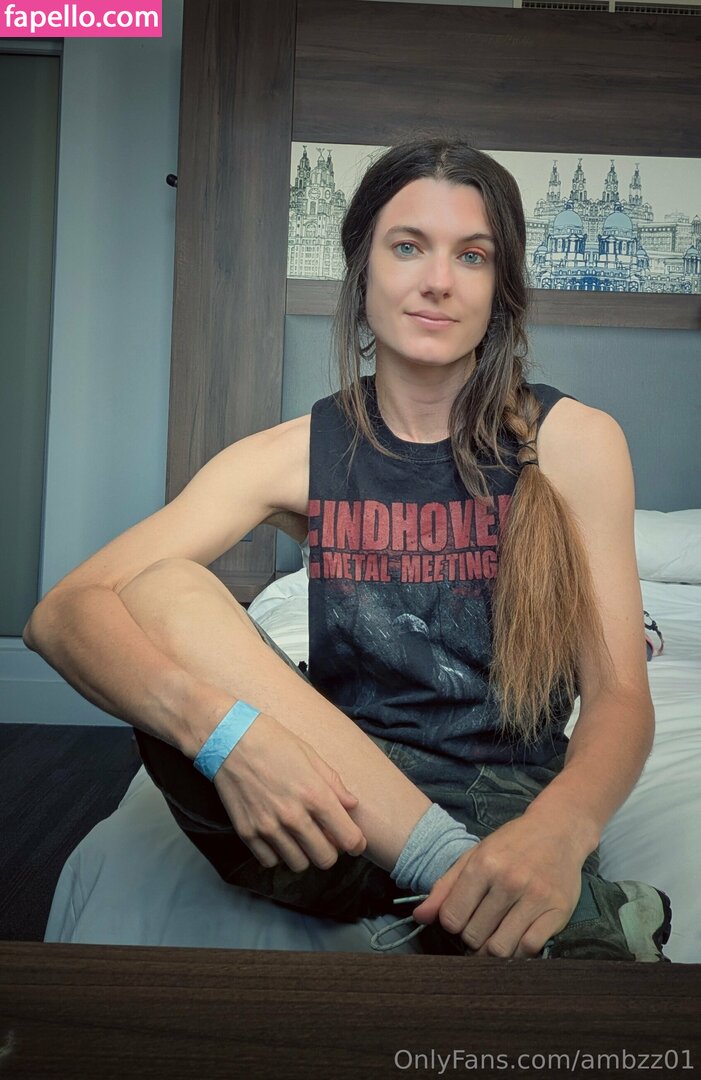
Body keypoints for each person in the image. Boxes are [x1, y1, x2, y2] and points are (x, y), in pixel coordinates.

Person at [24, 137, 672, 961]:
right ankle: (491, 893)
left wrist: (559, 831)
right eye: (407, 247)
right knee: (162, 590)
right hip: (320, 804)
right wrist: (228, 738)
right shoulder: (289, 455)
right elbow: (61, 614)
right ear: (361, 268)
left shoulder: (575, 442)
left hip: (508, 807)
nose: (437, 280)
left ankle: (452, 887)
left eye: (470, 256)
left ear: (499, 289)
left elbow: (618, 698)